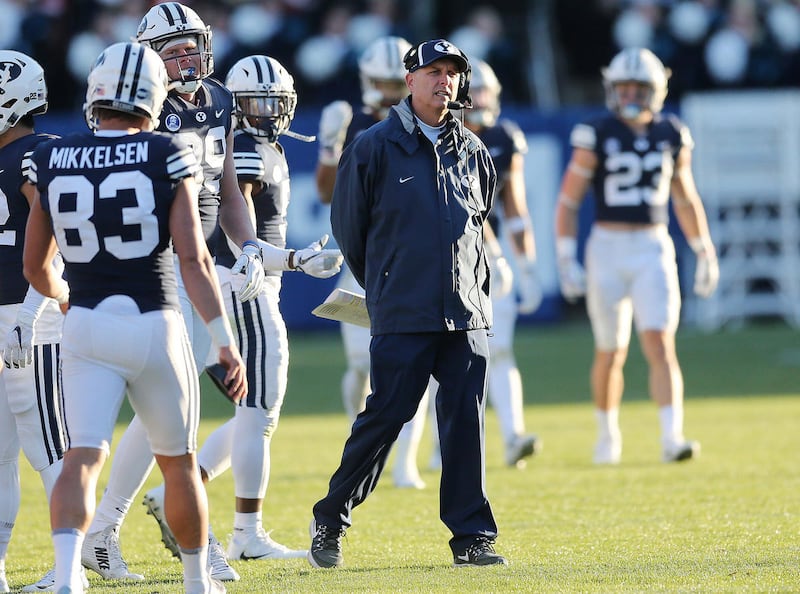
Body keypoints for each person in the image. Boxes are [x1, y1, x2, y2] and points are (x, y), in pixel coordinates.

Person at [78, 2, 341, 585]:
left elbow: (226, 191)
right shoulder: (139, 104)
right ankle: (127, 535)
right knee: (165, 412)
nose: (186, 56)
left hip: (195, 264)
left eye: (190, 44)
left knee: (166, 413)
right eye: (170, 49)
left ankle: (107, 533)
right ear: (149, 57)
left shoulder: (219, 100)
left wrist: (247, 246)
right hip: (155, 265)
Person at [23, 40, 243, 594]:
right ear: (154, 93)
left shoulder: (52, 156)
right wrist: (222, 338)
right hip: (154, 321)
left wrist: (67, 297)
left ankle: (70, 574)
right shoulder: (167, 151)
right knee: (178, 462)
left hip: (87, 323)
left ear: (96, 92)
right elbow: (193, 259)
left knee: (81, 457)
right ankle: (197, 580)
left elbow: (36, 266)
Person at [309, 38, 507, 569]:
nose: (444, 80)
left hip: (464, 312)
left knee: (465, 421)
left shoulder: (474, 150)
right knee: (387, 415)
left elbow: (479, 220)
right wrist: (390, 283)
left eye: (452, 73)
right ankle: (330, 517)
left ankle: (472, 537)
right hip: (404, 309)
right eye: (433, 71)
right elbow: (349, 229)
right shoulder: (373, 146)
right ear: (410, 79)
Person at [141, 54, 341, 566]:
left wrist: (291, 261)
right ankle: (244, 529)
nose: (266, 113)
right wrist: (296, 260)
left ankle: (195, 496)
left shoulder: (261, 144)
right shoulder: (245, 147)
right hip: (245, 288)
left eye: (274, 102)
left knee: (259, 412)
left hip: (253, 284)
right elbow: (238, 238)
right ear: (234, 100)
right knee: (258, 412)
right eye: (255, 102)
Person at [553, 47, 719, 465]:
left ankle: (671, 436)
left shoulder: (672, 133)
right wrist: (565, 254)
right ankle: (607, 436)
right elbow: (569, 201)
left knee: (660, 342)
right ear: (611, 88)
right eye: (623, 86)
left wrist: (703, 248)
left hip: (652, 245)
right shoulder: (596, 132)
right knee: (610, 349)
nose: (629, 94)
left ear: (656, 90)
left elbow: (685, 197)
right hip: (607, 247)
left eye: (638, 87)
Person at [315, 35, 431, 490]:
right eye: (380, 82)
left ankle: (406, 464)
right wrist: (329, 148)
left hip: (413, 262)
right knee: (362, 366)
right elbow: (327, 193)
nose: (387, 92)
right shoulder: (356, 123)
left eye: (393, 82)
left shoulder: (428, 124)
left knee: (413, 367)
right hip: (365, 262)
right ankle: (364, 446)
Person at [429, 58, 543, 470]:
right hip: (448, 254)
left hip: (489, 257)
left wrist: (526, 263)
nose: (479, 102)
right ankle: (437, 446)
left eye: (485, 93)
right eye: (473, 93)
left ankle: (513, 435)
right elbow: (466, 207)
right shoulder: (444, 136)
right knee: (440, 355)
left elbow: (514, 207)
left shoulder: (502, 137)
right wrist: (495, 254)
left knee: (501, 349)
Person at [0, 49, 79, 594]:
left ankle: (69, 569)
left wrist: (32, 311)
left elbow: (59, 241)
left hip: (35, 315)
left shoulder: (43, 153)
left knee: (49, 444)